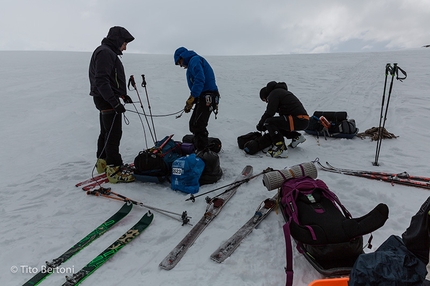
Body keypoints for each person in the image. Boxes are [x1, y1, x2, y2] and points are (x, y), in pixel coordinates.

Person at [88, 26, 135, 183]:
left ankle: (102, 163)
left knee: (106, 132)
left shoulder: (107, 52)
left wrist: (122, 95)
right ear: (118, 40)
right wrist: (115, 103)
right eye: (124, 42)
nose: (125, 47)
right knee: (114, 134)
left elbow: (110, 79)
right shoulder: (105, 53)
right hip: (107, 99)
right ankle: (114, 169)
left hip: (105, 98)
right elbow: (101, 81)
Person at [173, 47, 220, 151]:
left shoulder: (194, 60)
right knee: (194, 125)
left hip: (208, 96)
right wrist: (192, 101)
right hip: (203, 96)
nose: (180, 65)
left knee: (198, 125)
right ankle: (202, 147)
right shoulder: (191, 65)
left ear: (182, 57)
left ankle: (203, 152)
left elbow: (200, 79)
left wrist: (193, 97)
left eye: (179, 62)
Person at [256, 81, 309, 158]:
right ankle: (296, 137)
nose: (267, 102)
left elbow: (269, 113)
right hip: (302, 120)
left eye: (265, 100)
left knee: (269, 122)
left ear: (266, 95)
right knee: (277, 125)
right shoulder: (280, 92)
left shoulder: (274, 94)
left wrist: (261, 124)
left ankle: (280, 148)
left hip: (298, 119)